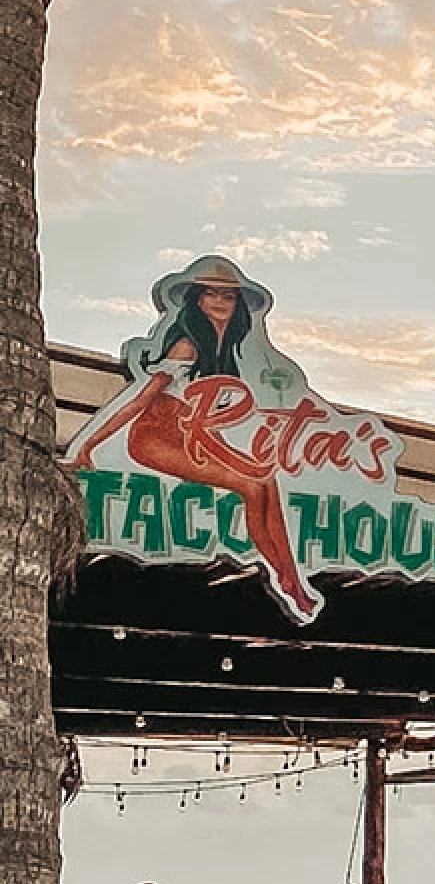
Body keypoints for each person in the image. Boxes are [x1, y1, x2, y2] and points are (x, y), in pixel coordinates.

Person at [65, 254, 319, 622]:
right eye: (211, 294)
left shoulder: (223, 352)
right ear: (196, 300)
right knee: (250, 486)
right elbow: (140, 399)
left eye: (228, 296)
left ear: (238, 307)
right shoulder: (186, 346)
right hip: (155, 438)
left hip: (189, 437)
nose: (220, 302)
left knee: (268, 479)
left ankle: (292, 577)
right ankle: (283, 578)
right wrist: (88, 443)